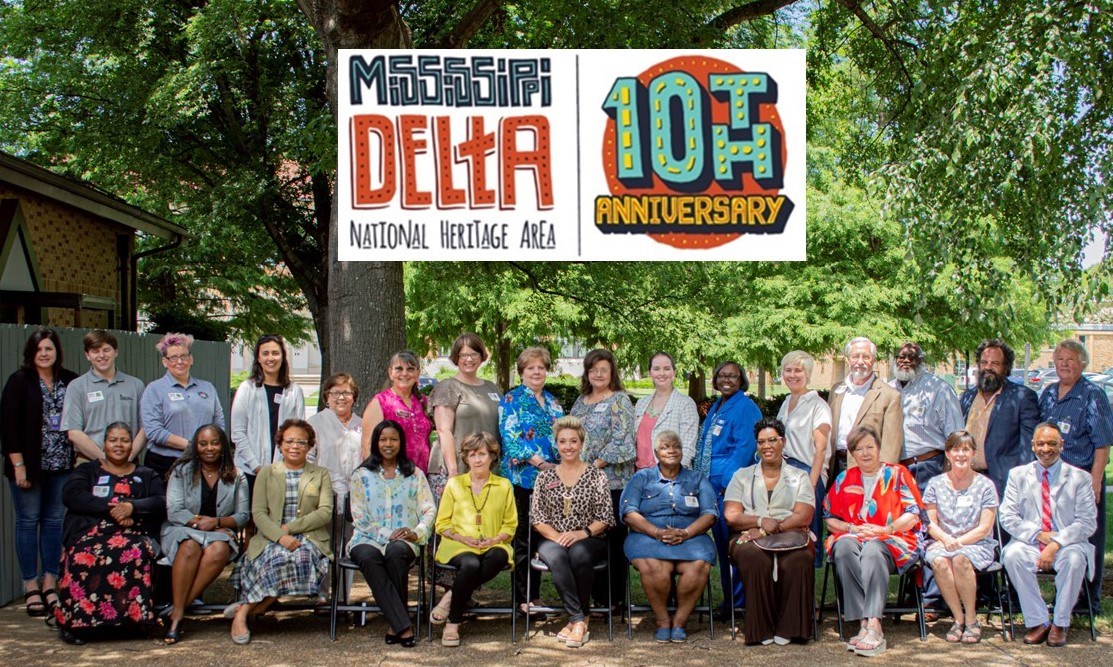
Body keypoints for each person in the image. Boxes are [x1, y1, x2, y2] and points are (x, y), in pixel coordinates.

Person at [53, 422, 166, 645]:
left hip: (132, 532)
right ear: (104, 444)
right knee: (80, 555)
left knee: (136, 551)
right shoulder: (88, 471)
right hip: (90, 533)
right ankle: (77, 625)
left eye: (124, 440)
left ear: (132, 445)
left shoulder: (146, 474)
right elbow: (72, 495)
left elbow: (161, 501)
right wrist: (113, 508)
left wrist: (132, 507)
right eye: (113, 440)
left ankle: (132, 623)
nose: (119, 445)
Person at [228, 418, 333, 645]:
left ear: (310, 446)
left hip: (309, 537)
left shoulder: (321, 473)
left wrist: (292, 528)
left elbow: (325, 512)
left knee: (298, 557)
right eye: (290, 441)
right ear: (281, 444)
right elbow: (258, 513)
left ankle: (244, 611)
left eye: (301, 442)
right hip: (270, 536)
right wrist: (280, 536)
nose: (295, 446)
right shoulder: (266, 473)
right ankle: (246, 612)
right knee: (273, 558)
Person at [823, 425, 922, 657]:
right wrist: (851, 528)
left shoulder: (898, 474)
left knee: (872, 550)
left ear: (879, 448)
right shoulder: (845, 478)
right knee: (844, 547)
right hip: (854, 535)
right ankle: (862, 622)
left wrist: (884, 529)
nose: (865, 453)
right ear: (852, 453)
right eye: (859, 449)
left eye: (870, 447)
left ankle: (875, 624)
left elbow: (913, 514)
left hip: (892, 538)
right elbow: (829, 519)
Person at [1, 328, 78, 620]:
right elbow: (8, 428)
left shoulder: (70, 380)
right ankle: (30, 584)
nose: (44, 353)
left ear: (57, 351)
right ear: (30, 353)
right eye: (39, 349)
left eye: (49, 348)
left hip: (61, 467)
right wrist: (18, 466)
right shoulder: (19, 382)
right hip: (28, 468)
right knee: (27, 521)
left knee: (53, 523)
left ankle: (49, 581)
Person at [1000, 422, 1097, 647]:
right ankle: (1038, 621)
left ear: (1061, 445)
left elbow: (1087, 522)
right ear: (1033, 446)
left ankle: (1061, 623)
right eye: (1041, 443)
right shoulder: (1018, 475)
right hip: (1031, 540)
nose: (1046, 449)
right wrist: (1037, 534)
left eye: (1052, 443)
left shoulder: (1080, 478)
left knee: (1074, 560)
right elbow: (1007, 516)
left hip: (1068, 542)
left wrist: (1055, 542)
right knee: (1013, 556)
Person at [1036, 339, 1113, 615]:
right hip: (1051, 481)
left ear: (1082, 364)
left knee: (1087, 538)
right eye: (1059, 359)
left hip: (1082, 479)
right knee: (1058, 537)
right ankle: (1061, 598)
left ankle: (1087, 602)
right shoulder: (1047, 393)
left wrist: (1095, 481)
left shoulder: (1093, 395)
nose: (1064, 364)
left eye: (1070, 359)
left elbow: (1102, 443)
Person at [724, 417, 816, 646]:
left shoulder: (800, 476)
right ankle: (760, 629)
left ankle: (791, 628)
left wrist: (767, 530)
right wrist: (759, 520)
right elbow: (732, 516)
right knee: (754, 558)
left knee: (798, 559)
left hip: (791, 535)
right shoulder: (742, 476)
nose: (767, 446)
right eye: (761, 441)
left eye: (773, 440)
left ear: (783, 441)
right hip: (747, 535)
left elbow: (804, 515)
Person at [621, 430, 717, 643]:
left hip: (691, 536)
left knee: (699, 564)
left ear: (683, 452)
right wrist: (656, 532)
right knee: (654, 566)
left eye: (676, 446)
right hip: (647, 536)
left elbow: (710, 514)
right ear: (656, 452)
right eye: (665, 447)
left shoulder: (697, 478)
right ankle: (663, 621)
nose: (671, 450)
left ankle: (680, 622)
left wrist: (685, 533)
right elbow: (629, 513)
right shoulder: (642, 477)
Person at [348, 419, 436, 648]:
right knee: (368, 556)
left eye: (393, 439)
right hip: (367, 537)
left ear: (401, 442)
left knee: (396, 553)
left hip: (404, 539)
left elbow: (428, 509)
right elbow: (359, 517)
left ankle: (394, 623)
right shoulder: (361, 475)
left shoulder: (414, 475)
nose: (388, 444)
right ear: (376, 442)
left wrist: (417, 533)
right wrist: (388, 533)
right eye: (383, 439)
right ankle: (403, 624)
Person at [160, 424, 250, 644]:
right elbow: (174, 510)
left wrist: (218, 522)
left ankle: (176, 610)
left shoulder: (236, 474)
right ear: (196, 446)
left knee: (219, 548)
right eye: (203, 443)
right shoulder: (181, 471)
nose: (209, 448)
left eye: (214, 443)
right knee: (189, 544)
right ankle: (179, 615)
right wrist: (204, 524)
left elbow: (243, 515)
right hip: (182, 528)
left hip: (220, 533)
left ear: (223, 446)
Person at [530, 416, 614, 648]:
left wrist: (580, 533)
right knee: (557, 555)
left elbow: (605, 517)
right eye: (563, 441)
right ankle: (579, 619)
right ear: (556, 444)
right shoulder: (545, 476)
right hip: (552, 537)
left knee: (578, 554)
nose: (568, 446)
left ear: (581, 443)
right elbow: (537, 518)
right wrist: (558, 537)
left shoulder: (596, 475)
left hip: (590, 537)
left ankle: (577, 620)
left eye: (573, 441)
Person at [430, 431, 517, 647]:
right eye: (471, 455)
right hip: (457, 543)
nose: (477, 459)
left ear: (492, 456)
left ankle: (449, 598)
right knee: (470, 563)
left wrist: (495, 538)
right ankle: (454, 622)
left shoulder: (504, 485)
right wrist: (463, 538)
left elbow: (510, 525)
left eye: (482, 454)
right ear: (465, 458)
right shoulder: (454, 484)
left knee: (499, 556)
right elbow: (442, 524)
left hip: (493, 543)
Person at [499, 346, 564, 612]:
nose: (536, 372)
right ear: (522, 372)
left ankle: (535, 596)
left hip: (551, 482)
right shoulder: (512, 399)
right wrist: (540, 463)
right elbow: (510, 439)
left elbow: (563, 436)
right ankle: (522, 599)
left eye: (541, 367)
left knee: (541, 538)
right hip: (523, 479)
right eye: (530, 368)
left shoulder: (553, 402)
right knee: (524, 538)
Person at [570, 348, 635, 612]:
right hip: (583, 484)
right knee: (589, 540)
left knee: (613, 539)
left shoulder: (619, 400)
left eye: (604, 370)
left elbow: (624, 442)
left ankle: (615, 598)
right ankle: (594, 595)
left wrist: (594, 466)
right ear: (587, 372)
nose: (598, 374)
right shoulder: (580, 401)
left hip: (613, 483)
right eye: (593, 369)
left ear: (612, 373)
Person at [693, 360, 761, 611]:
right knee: (723, 547)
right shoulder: (719, 405)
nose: (726, 380)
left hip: (727, 489)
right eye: (722, 375)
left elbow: (744, 450)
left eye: (732, 376)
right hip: (709, 486)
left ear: (741, 379)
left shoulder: (745, 408)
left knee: (734, 546)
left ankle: (740, 602)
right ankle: (731, 600)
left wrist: (726, 486)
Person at [922, 430, 999, 644]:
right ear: (947, 453)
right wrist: (946, 540)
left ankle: (972, 619)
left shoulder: (985, 485)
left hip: (976, 543)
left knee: (960, 558)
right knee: (938, 560)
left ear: (973, 453)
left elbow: (985, 528)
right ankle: (958, 618)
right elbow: (930, 523)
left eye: (966, 449)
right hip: (943, 541)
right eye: (956, 449)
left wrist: (958, 543)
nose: (961, 455)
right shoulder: (935, 484)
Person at [959, 338, 1040, 497]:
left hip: (1003, 484)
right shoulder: (968, 397)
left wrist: (1022, 485)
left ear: (1006, 368)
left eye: (995, 364)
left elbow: (1028, 447)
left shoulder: (1021, 397)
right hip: (968, 481)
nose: (988, 367)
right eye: (984, 362)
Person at [141, 333, 226, 479]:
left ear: (191, 359)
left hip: (203, 461)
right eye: (173, 357)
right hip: (164, 463)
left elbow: (219, 424)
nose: (179, 361)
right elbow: (153, 431)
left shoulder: (208, 388)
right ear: (164, 361)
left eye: (184, 356)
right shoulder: (154, 389)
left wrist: (209, 448)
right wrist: (193, 446)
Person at [429, 333, 503, 497]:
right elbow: (443, 430)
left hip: (485, 467)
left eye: (474, 354)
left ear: (481, 356)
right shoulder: (448, 387)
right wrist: (453, 471)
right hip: (454, 467)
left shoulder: (492, 388)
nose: (469, 359)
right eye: (463, 355)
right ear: (456, 357)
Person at [231, 334, 306, 494]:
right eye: (265, 353)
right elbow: (238, 433)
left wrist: (283, 465)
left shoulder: (294, 391)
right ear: (258, 358)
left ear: (283, 357)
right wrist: (257, 467)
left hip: (283, 472)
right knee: (248, 517)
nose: (270, 358)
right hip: (249, 471)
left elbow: (298, 434)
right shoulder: (247, 389)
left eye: (275, 353)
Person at [775, 350, 832, 562]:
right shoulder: (787, 401)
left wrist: (811, 483)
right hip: (784, 470)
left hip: (807, 471)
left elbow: (821, 448)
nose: (792, 375)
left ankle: (807, 581)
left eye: (798, 370)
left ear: (807, 373)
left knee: (805, 532)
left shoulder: (818, 406)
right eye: (787, 370)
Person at [61, 329, 147, 463]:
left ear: (116, 352)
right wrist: (106, 460)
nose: (101, 355)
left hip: (128, 463)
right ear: (87, 355)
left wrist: (126, 459)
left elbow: (145, 428)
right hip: (89, 462)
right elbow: (73, 432)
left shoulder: (136, 385)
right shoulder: (77, 386)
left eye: (106, 350)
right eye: (95, 351)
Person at [890, 342, 964, 491]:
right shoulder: (888, 388)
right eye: (902, 357)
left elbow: (956, 435)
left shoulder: (938, 389)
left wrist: (952, 472)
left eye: (912, 357)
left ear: (921, 361)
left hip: (927, 467)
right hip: (894, 469)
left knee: (927, 514)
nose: (906, 361)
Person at [827, 337, 903, 480]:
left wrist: (883, 478)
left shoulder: (890, 396)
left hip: (869, 469)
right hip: (835, 466)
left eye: (866, 357)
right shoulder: (836, 390)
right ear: (848, 359)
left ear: (873, 360)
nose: (860, 361)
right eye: (855, 356)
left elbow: (891, 446)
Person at [361, 350, 432, 473]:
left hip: (421, 477)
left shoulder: (423, 402)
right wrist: (377, 477)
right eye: (399, 369)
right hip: (391, 477)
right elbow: (367, 445)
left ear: (418, 374)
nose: (404, 373)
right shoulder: (380, 402)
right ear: (390, 373)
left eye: (410, 369)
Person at [633, 351, 699, 469]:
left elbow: (688, 448)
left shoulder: (685, 403)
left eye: (667, 368)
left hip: (669, 477)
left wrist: (670, 476)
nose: (662, 373)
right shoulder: (641, 403)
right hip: (640, 476)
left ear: (674, 372)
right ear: (650, 373)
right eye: (656, 369)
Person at [307, 372, 363, 506]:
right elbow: (307, 459)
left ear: (354, 398)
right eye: (335, 393)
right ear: (327, 397)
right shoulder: (315, 423)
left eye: (347, 393)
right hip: (323, 495)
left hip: (357, 497)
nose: (341, 397)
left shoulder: (362, 424)